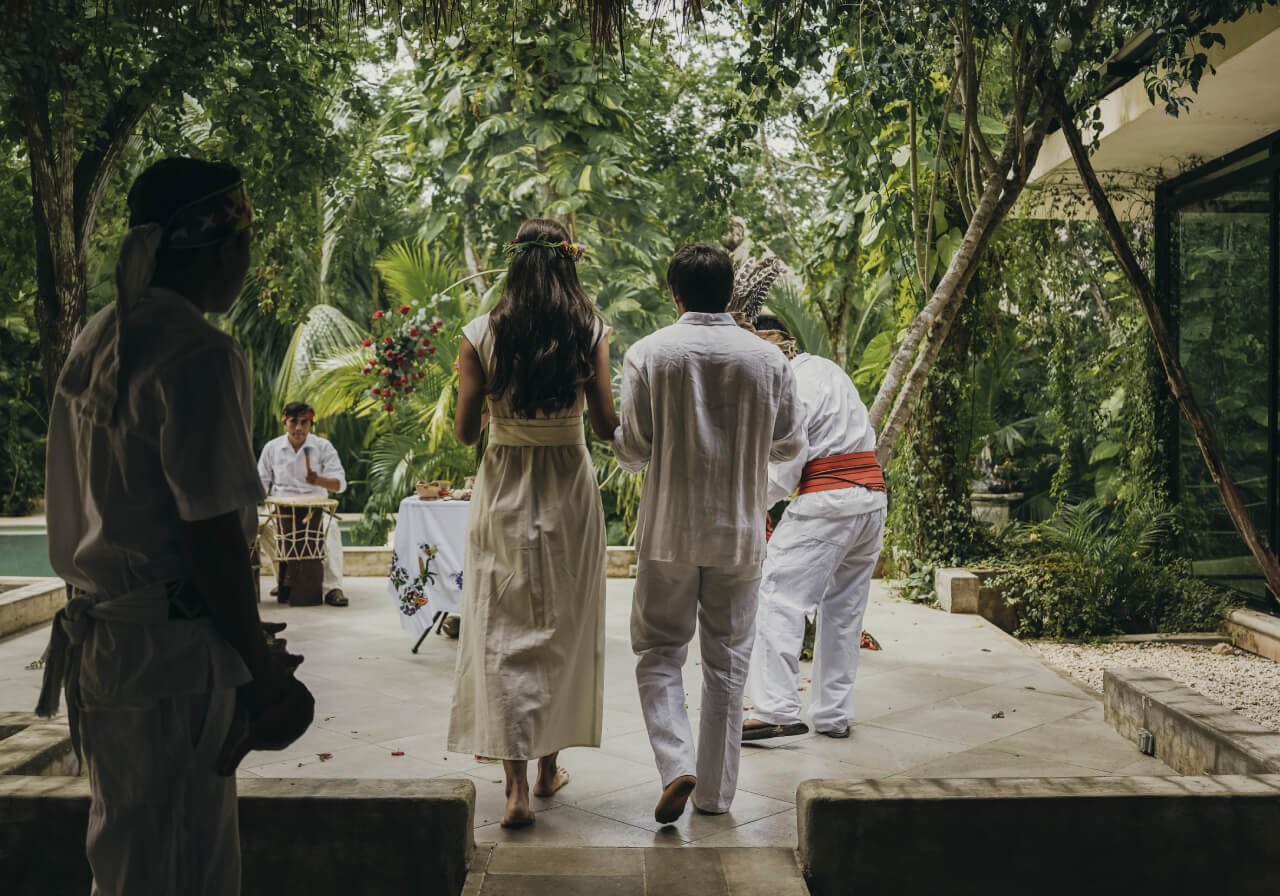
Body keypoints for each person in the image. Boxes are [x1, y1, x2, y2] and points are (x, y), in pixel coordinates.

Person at [36, 157, 312, 896]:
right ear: (224, 250)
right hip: (170, 667)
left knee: (129, 853)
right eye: (246, 248)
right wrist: (261, 675)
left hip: (112, 652)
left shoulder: (99, 338)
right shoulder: (198, 354)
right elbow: (210, 538)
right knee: (184, 866)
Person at [613, 245, 805, 824]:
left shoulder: (649, 353)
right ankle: (716, 798)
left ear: (675, 294)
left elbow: (633, 451)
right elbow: (791, 444)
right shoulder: (769, 361)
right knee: (727, 663)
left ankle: (676, 766)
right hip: (741, 532)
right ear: (729, 293)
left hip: (669, 530)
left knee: (658, 651)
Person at [447, 218, 618, 829]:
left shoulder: (478, 335)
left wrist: (501, 410)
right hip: (568, 484)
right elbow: (604, 425)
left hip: (503, 486)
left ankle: (515, 788)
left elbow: (466, 431)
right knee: (560, 627)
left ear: (513, 264)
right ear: (569, 262)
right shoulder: (590, 331)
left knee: (502, 627)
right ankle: (549, 769)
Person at [742, 314, 887, 741]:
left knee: (776, 592)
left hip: (830, 499)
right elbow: (867, 432)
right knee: (842, 611)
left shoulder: (790, 383)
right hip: (872, 498)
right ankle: (833, 715)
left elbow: (788, 465)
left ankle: (774, 708)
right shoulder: (827, 369)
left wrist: (748, 506)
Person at [257, 401, 350, 606]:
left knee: (331, 528)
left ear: (311, 424)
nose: (298, 428)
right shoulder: (272, 448)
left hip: (315, 509)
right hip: (281, 509)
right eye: (293, 422)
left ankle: (333, 588)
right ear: (285, 423)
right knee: (261, 528)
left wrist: (319, 480)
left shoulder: (323, 447)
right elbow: (261, 484)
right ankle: (286, 580)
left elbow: (339, 485)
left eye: (304, 422)